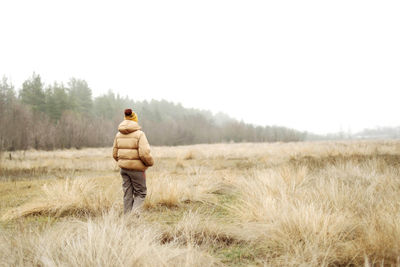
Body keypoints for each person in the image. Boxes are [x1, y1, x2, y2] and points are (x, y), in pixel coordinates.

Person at [112, 108, 154, 214]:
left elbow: (114, 154)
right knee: (141, 193)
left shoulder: (118, 134)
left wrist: (123, 162)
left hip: (124, 169)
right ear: (135, 120)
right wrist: (149, 163)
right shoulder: (140, 134)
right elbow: (144, 153)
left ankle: (127, 219)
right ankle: (134, 216)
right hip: (137, 170)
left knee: (127, 194)